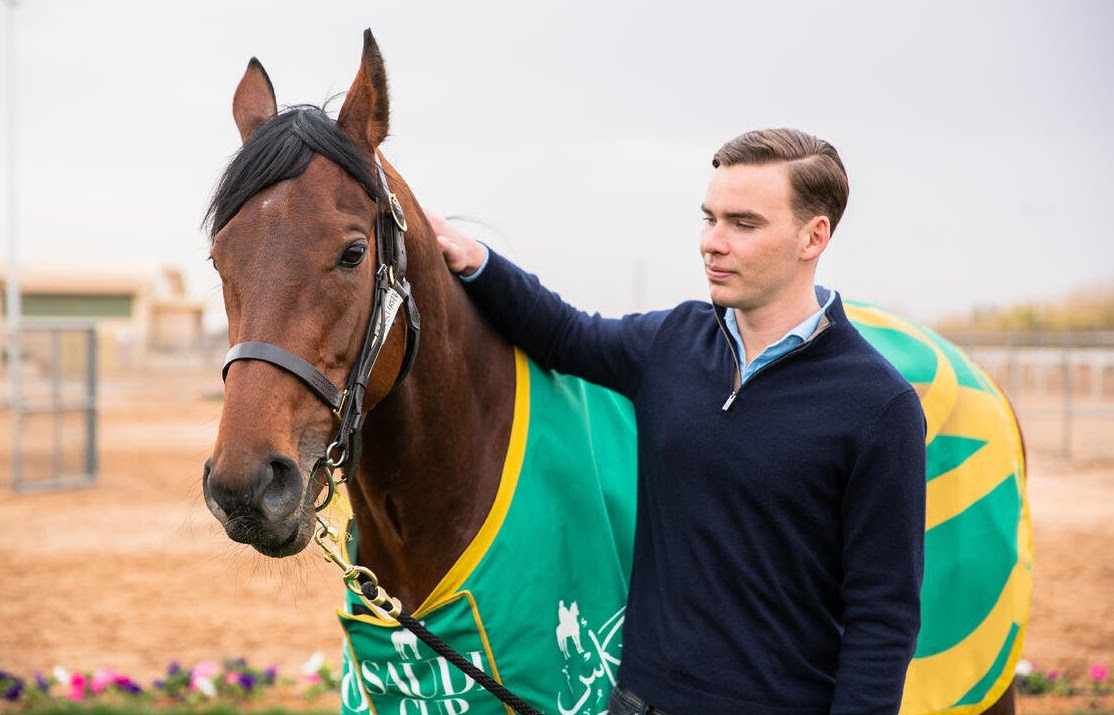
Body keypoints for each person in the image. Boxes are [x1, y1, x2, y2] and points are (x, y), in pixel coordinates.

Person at [430, 128, 926, 714]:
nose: (711, 243)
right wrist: (474, 260)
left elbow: (883, 614)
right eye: (709, 218)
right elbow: (565, 334)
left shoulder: (878, 405)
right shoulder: (672, 340)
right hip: (639, 704)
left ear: (813, 236)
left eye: (743, 224)